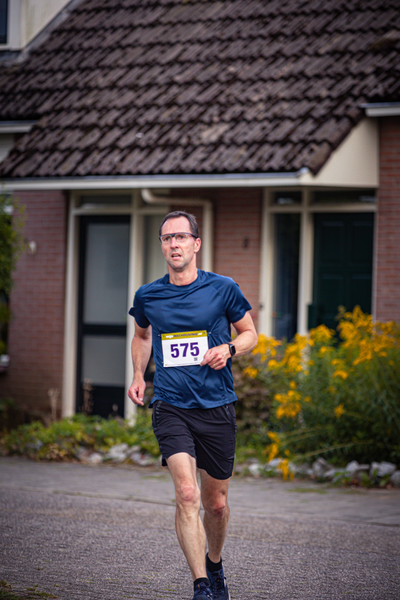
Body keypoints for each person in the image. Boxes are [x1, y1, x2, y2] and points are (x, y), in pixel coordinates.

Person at [128, 210, 258, 600]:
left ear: (196, 244)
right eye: (167, 239)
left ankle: (215, 565)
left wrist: (229, 348)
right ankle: (201, 585)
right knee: (187, 494)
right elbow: (142, 335)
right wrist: (138, 374)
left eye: (181, 237)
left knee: (215, 504)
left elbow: (251, 333)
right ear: (162, 246)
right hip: (171, 404)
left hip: (217, 405)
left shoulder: (223, 288)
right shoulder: (148, 294)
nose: (174, 245)